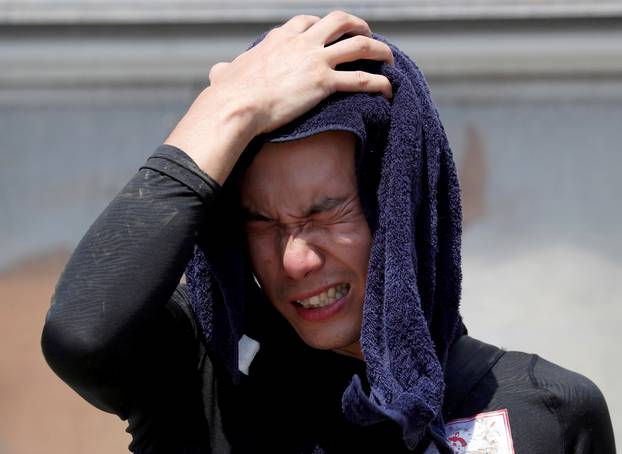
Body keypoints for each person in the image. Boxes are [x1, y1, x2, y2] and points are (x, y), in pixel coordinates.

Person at [41, 11, 615, 453]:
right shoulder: (204, 391)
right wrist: (228, 108)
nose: (295, 261)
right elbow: (82, 333)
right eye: (261, 221)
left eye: (326, 213)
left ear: (401, 210)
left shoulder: (546, 411)